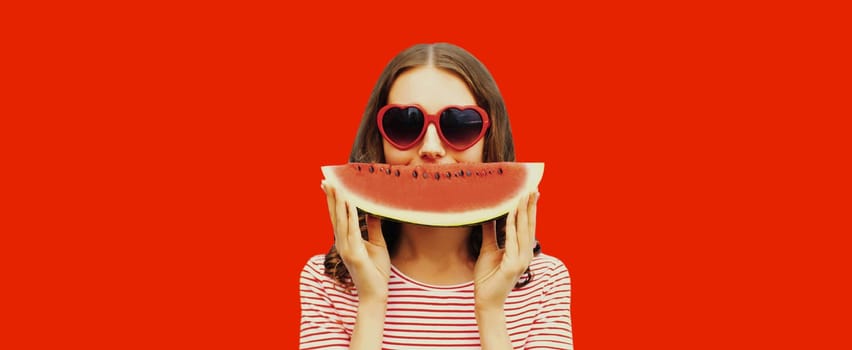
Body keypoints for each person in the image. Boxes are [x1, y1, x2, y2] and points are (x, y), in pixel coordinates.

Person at [300, 43, 572, 349]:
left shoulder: (546, 280)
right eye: (404, 124)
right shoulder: (326, 280)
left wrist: (491, 311)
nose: (431, 147)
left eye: (459, 124)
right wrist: (372, 301)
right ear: (379, 140)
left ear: (490, 138)